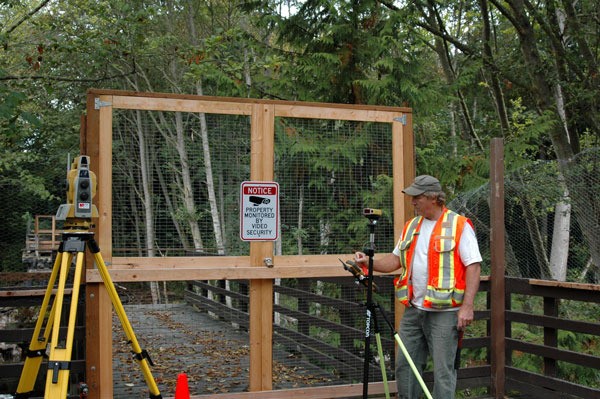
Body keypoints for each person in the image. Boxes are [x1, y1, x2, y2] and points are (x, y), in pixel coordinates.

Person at [354, 175, 481, 399]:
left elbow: (474, 266)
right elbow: (395, 260)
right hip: (414, 310)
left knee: (443, 371)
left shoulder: (459, 225)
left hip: (445, 313)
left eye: (417, 197)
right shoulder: (412, 226)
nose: (413, 202)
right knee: (405, 367)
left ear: (433, 198)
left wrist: (467, 306)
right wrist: (369, 262)